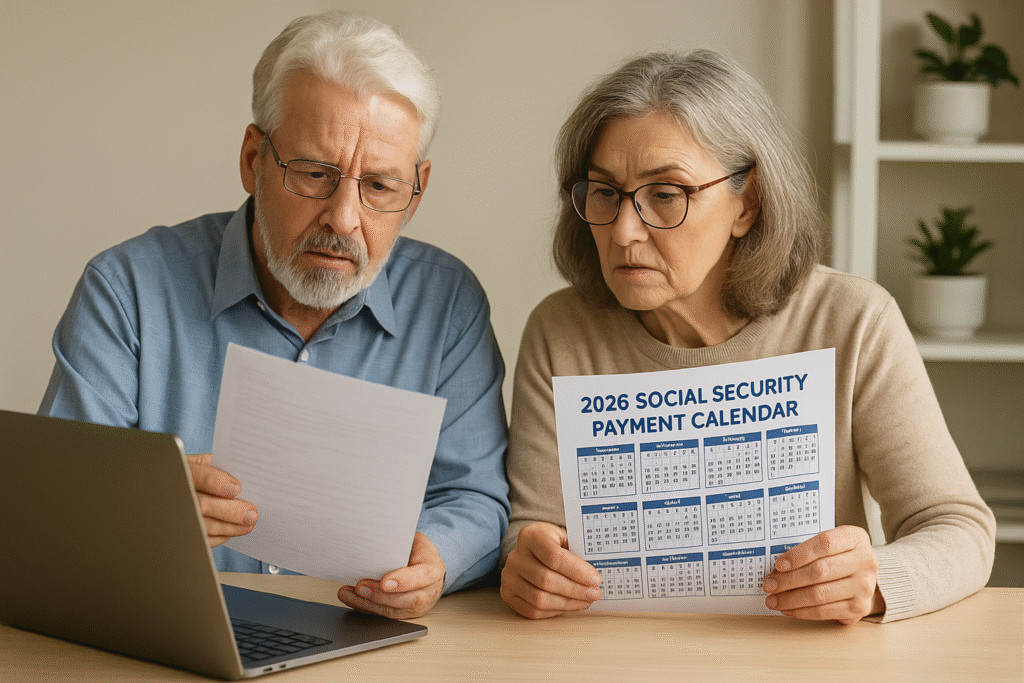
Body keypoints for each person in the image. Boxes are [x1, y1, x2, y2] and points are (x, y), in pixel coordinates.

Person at [38, 10, 510, 620]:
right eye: (314, 174)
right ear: (252, 159)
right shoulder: (126, 289)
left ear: (416, 191)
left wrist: (435, 559)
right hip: (171, 631)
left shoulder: (448, 304)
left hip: (371, 644)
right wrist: (139, 507)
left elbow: (474, 496)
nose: (343, 219)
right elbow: (54, 506)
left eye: (380, 188)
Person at [499, 49, 995, 624]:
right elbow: (531, 536)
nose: (624, 231)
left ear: (748, 203)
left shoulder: (852, 319)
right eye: (605, 193)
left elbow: (959, 528)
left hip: (804, 658)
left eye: (666, 194)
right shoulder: (560, 331)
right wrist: (528, 567)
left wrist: (880, 580)